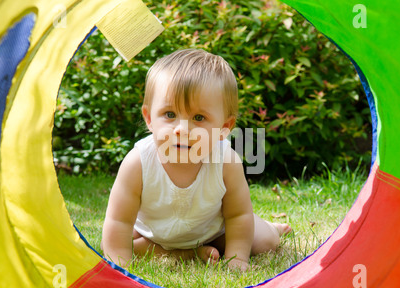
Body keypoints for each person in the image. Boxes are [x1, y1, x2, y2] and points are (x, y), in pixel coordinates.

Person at [101, 49, 291, 271]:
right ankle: (188, 253)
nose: (182, 129)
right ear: (150, 118)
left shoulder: (226, 161)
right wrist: (121, 270)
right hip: (152, 233)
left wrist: (237, 260)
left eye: (199, 118)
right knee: (113, 242)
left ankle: (269, 227)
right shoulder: (138, 162)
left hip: (212, 232)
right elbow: (119, 220)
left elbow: (238, 215)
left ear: (224, 128)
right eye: (170, 115)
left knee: (266, 241)